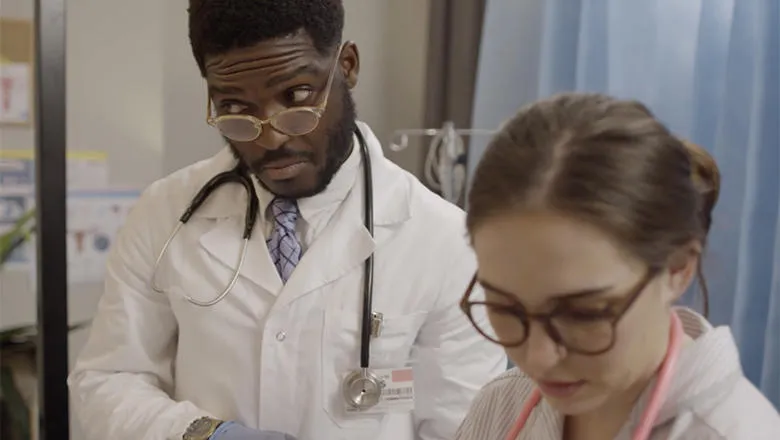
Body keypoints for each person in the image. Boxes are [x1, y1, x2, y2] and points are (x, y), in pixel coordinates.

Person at [67, 1, 506, 439]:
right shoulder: (164, 213)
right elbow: (107, 381)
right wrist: (206, 435)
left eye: (296, 97)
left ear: (347, 66)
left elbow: (466, 429)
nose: (271, 136)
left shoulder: (445, 241)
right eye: (236, 108)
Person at [455, 93, 780, 439]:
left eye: (583, 313)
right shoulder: (502, 405)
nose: (537, 358)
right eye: (505, 307)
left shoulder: (737, 431)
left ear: (678, 268)